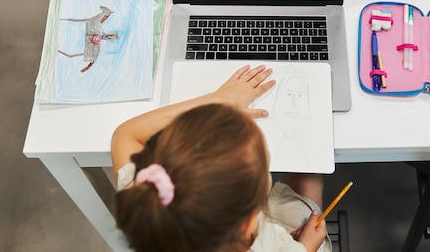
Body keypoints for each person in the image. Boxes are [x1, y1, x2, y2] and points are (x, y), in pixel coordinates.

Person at [112, 64, 330, 252]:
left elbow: (125, 135)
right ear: (249, 224)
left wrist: (220, 100)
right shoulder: (274, 246)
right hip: (292, 237)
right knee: (308, 181)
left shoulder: (151, 203)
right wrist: (306, 246)